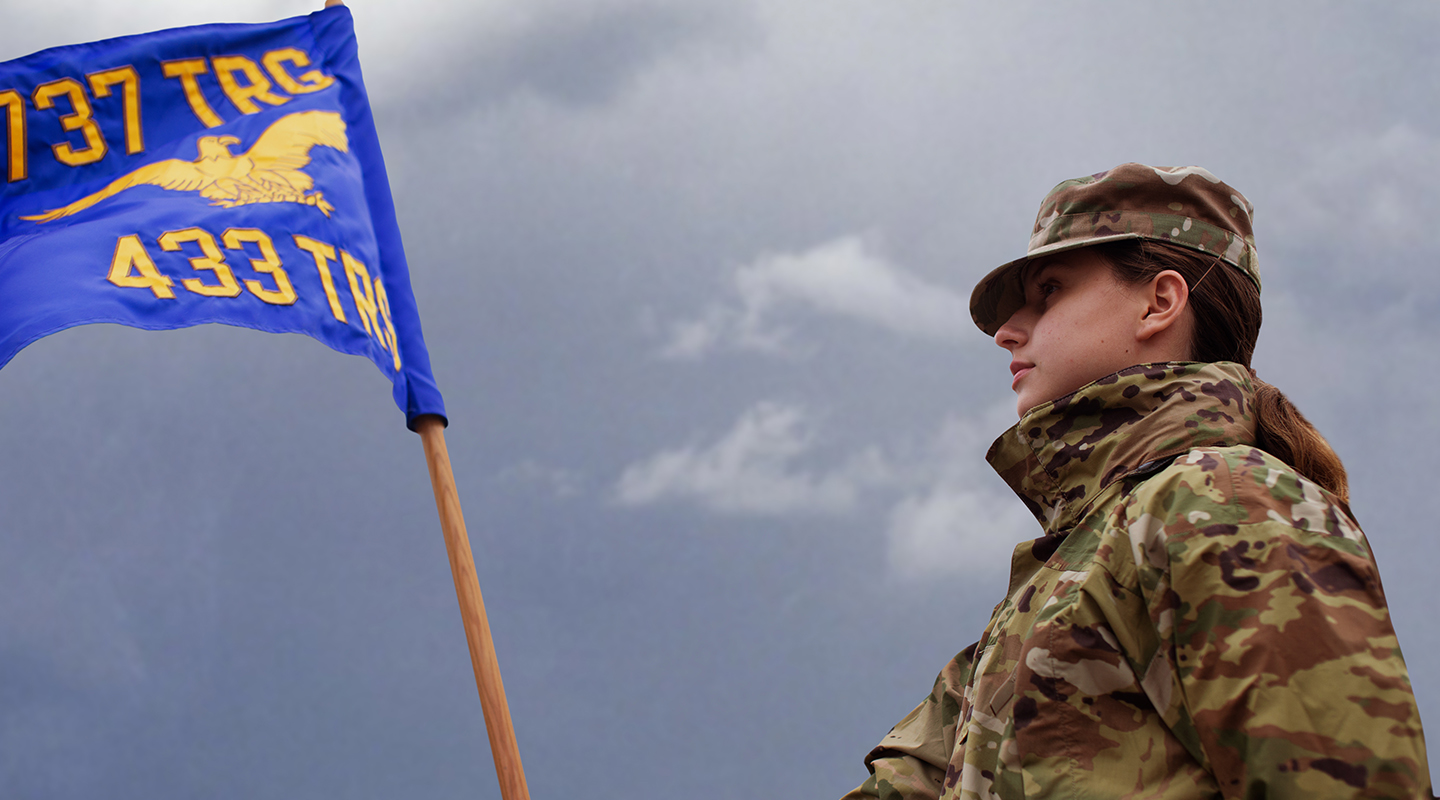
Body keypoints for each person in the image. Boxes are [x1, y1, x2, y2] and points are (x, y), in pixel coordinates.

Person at [841, 163, 1431, 799]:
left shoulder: (1224, 501)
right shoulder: (1051, 590)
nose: (1009, 331)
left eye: (1049, 292)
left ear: (1159, 302)